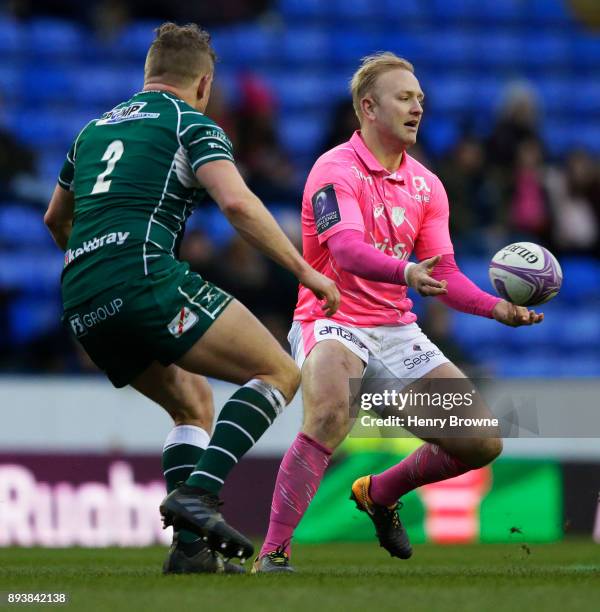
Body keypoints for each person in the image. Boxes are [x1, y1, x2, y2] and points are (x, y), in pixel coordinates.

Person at [43, 22, 339, 574]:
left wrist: (94, 263)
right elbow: (238, 205)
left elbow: (55, 219)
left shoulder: (92, 130)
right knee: (279, 372)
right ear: (204, 83)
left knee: (192, 404)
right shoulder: (189, 122)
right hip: (143, 276)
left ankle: (190, 551)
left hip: (82, 296)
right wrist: (307, 272)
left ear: (148, 74)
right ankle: (198, 494)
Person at [253, 53, 543, 573]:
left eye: (421, 100)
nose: (417, 108)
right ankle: (274, 552)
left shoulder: (428, 186)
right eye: (404, 98)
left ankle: (378, 493)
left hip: (395, 329)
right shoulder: (333, 169)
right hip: (332, 318)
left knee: (482, 442)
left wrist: (495, 307)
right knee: (328, 414)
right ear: (368, 107)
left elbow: (446, 276)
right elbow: (343, 252)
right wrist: (405, 272)